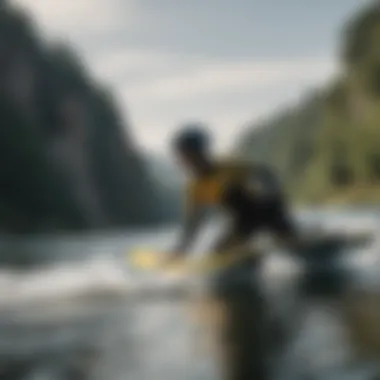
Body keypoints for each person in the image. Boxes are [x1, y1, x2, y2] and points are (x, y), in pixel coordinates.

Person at [166, 122, 299, 380]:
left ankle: (287, 241)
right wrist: (180, 251)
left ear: (199, 151)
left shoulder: (230, 166)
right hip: (242, 223)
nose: (181, 161)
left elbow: (266, 173)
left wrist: (273, 192)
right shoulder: (195, 188)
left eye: (183, 154)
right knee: (219, 252)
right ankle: (253, 258)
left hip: (268, 212)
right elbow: (194, 224)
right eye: (179, 156)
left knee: (283, 233)